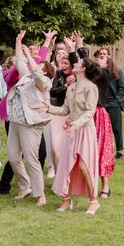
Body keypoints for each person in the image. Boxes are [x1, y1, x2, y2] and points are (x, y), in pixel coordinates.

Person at [0, 30, 55, 193]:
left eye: (40, 65)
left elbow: (37, 68)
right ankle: (21, 185)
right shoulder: (22, 74)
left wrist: (42, 45)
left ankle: (37, 191)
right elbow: (22, 62)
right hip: (15, 120)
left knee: (34, 156)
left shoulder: (44, 81)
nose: (37, 62)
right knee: (15, 157)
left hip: (31, 123)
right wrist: (18, 41)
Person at [44, 56, 102, 215]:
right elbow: (65, 110)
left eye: (77, 63)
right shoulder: (71, 87)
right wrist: (48, 108)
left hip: (84, 130)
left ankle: (94, 201)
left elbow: (90, 111)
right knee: (66, 164)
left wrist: (76, 124)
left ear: (83, 68)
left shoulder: (91, 87)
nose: (74, 64)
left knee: (84, 166)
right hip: (72, 130)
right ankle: (66, 199)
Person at [70, 33, 114, 200]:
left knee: (102, 150)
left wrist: (80, 46)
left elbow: (87, 63)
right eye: (99, 55)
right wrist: (73, 48)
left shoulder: (105, 76)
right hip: (84, 116)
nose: (101, 57)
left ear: (108, 63)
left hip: (98, 116)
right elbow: (81, 65)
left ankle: (105, 186)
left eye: (104, 56)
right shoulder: (88, 76)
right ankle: (84, 183)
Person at [105, 56, 124, 160]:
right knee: (103, 129)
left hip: (113, 105)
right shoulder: (99, 73)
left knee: (117, 128)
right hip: (102, 105)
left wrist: (116, 102)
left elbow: (122, 88)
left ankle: (119, 151)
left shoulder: (117, 72)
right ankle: (105, 150)